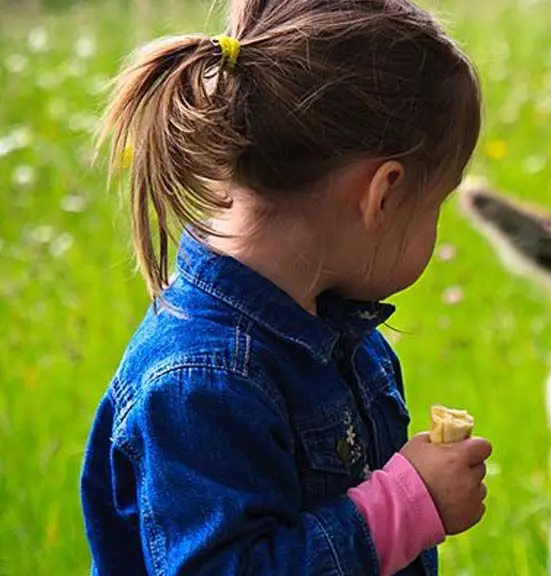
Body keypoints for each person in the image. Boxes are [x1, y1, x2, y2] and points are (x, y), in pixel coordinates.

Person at [79, 1, 490, 574]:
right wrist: (405, 505)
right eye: (435, 204)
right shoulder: (202, 383)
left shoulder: (332, 323)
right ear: (384, 194)